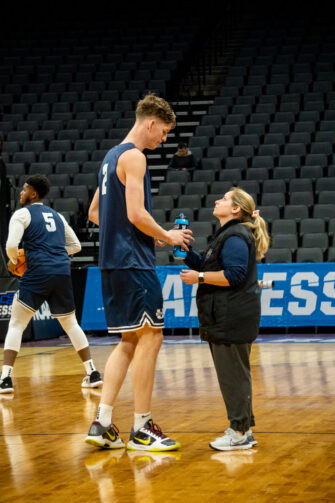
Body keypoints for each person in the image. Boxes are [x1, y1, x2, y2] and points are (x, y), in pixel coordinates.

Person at [85, 93, 193, 451]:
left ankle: (102, 423)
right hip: (133, 263)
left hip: (112, 261)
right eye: (163, 132)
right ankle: (142, 428)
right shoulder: (135, 157)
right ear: (150, 123)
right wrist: (166, 234)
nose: (163, 139)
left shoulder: (110, 157)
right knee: (152, 338)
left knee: (128, 341)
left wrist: (144, 233)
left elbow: (95, 213)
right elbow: (134, 213)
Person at [180, 187, 270, 451]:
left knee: (233, 376)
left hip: (232, 317)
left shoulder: (235, 235)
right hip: (225, 316)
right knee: (233, 375)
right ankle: (242, 429)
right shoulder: (226, 235)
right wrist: (185, 251)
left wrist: (199, 277)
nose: (218, 200)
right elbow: (207, 264)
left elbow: (234, 275)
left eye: (225, 198)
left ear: (235, 209)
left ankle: (240, 432)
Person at [0, 174, 103, 393]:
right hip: (61, 272)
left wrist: (14, 260)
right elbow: (75, 246)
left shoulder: (22, 214)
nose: (21, 192)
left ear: (33, 194)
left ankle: (5, 379)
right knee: (71, 324)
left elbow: (11, 244)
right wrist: (53, 252)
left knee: (17, 324)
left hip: (38, 272)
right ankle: (92, 372)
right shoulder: (57, 216)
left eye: (24, 189)